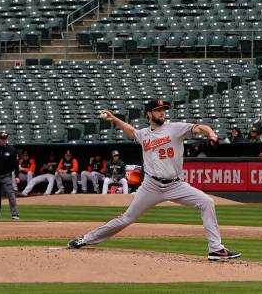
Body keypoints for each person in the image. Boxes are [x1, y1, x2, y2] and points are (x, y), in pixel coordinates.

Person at [68, 99, 240, 261]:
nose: (162, 113)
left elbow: (199, 128)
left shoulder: (175, 128)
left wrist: (211, 133)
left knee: (206, 202)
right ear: (148, 114)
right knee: (127, 218)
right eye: (158, 110)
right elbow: (131, 131)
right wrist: (114, 118)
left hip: (176, 185)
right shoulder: (143, 134)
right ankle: (86, 239)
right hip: (151, 186)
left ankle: (215, 249)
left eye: (163, 110)